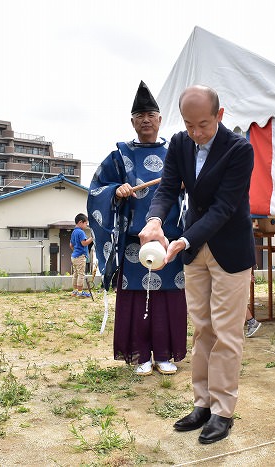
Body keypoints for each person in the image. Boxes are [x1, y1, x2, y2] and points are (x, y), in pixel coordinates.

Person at [139, 85, 254, 444]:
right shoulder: (180, 143)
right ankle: (202, 403)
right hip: (193, 252)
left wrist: (185, 239)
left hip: (229, 250)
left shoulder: (240, 149)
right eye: (189, 125)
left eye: (203, 124)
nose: (196, 133)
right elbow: (167, 189)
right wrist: (155, 220)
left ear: (219, 116)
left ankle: (223, 410)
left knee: (226, 330)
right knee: (202, 328)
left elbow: (224, 207)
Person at [87, 81, 187, 376]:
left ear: (159, 120)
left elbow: (198, 185)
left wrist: (185, 185)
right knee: (134, 298)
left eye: (150, 115)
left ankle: (166, 354)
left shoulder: (176, 153)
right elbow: (96, 190)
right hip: (133, 243)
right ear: (132, 122)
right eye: (139, 116)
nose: (145, 120)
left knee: (169, 297)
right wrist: (115, 191)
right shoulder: (119, 155)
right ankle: (141, 355)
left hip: (168, 240)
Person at [70, 213, 93, 298]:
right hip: (80, 256)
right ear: (80, 222)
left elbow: (71, 245)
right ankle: (80, 292)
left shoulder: (74, 232)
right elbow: (84, 243)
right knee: (81, 274)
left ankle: (75, 291)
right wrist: (92, 238)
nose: (86, 225)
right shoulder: (81, 232)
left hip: (74, 256)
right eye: (86, 223)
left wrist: (76, 251)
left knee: (75, 274)